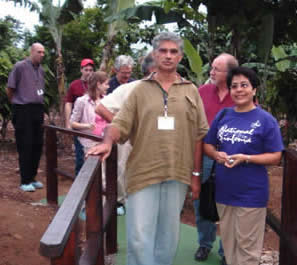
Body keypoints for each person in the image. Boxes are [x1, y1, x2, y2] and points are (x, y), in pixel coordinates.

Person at [87, 32, 209, 265]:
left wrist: (195, 175)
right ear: (154, 54)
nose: (168, 56)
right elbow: (119, 124)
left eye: (174, 51)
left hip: (177, 174)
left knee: (169, 237)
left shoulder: (191, 90)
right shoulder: (139, 90)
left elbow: (198, 134)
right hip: (143, 172)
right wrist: (107, 141)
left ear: (181, 56)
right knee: (139, 237)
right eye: (163, 51)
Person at [203, 66, 284, 265]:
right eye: (234, 86)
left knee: (247, 250)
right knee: (230, 247)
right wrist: (216, 154)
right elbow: (208, 144)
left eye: (244, 85)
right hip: (224, 192)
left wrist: (246, 158)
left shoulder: (266, 120)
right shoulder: (224, 115)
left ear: (254, 90)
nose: (239, 90)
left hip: (251, 193)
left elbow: (275, 156)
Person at [95, 53, 156, 215]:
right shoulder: (130, 88)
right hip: (126, 141)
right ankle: (116, 202)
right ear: (152, 69)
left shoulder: (166, 91)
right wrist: (122, 126)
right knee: (120, 170)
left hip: (151, 144)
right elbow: (100, 107)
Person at [194, 53, 238, 265]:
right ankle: (204, 243)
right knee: (201, 200)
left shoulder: (241, 94)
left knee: (228, 205)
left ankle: (225, 251)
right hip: (203, 155)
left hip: (230, 157)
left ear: (229, 74)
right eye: (211, 68)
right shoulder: (201, 92)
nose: (211, 72)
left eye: (216, 69)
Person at [6, 43, 45, 192]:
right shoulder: (20, 67)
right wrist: (16, 104)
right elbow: (10, 88)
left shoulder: (41, 70)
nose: (42, 55)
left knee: (37, 144)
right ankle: (24, 180)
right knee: (25, 144)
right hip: (22, 109)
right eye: (39, 52)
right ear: (32, 52)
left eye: (43, 52)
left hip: (37, 109)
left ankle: (32, 177)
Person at [64, 58, 94, 175]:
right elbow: (68, 103)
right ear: (81, 70)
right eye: (86, 70)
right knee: (80, 153)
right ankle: (79, 179)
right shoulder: (74, 85)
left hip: (93, 125)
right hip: (78, 124)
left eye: (91, 70)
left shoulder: (95, 84)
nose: (88, 72)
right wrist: (68, 123)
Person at [70, 71, 109, 152]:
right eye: (106, 84)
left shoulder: (107, 99)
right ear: (98, 84)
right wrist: (87, 126)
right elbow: (72, 123)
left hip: (104, 142)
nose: (108, 87)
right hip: (87, 144)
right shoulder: (82, 101)